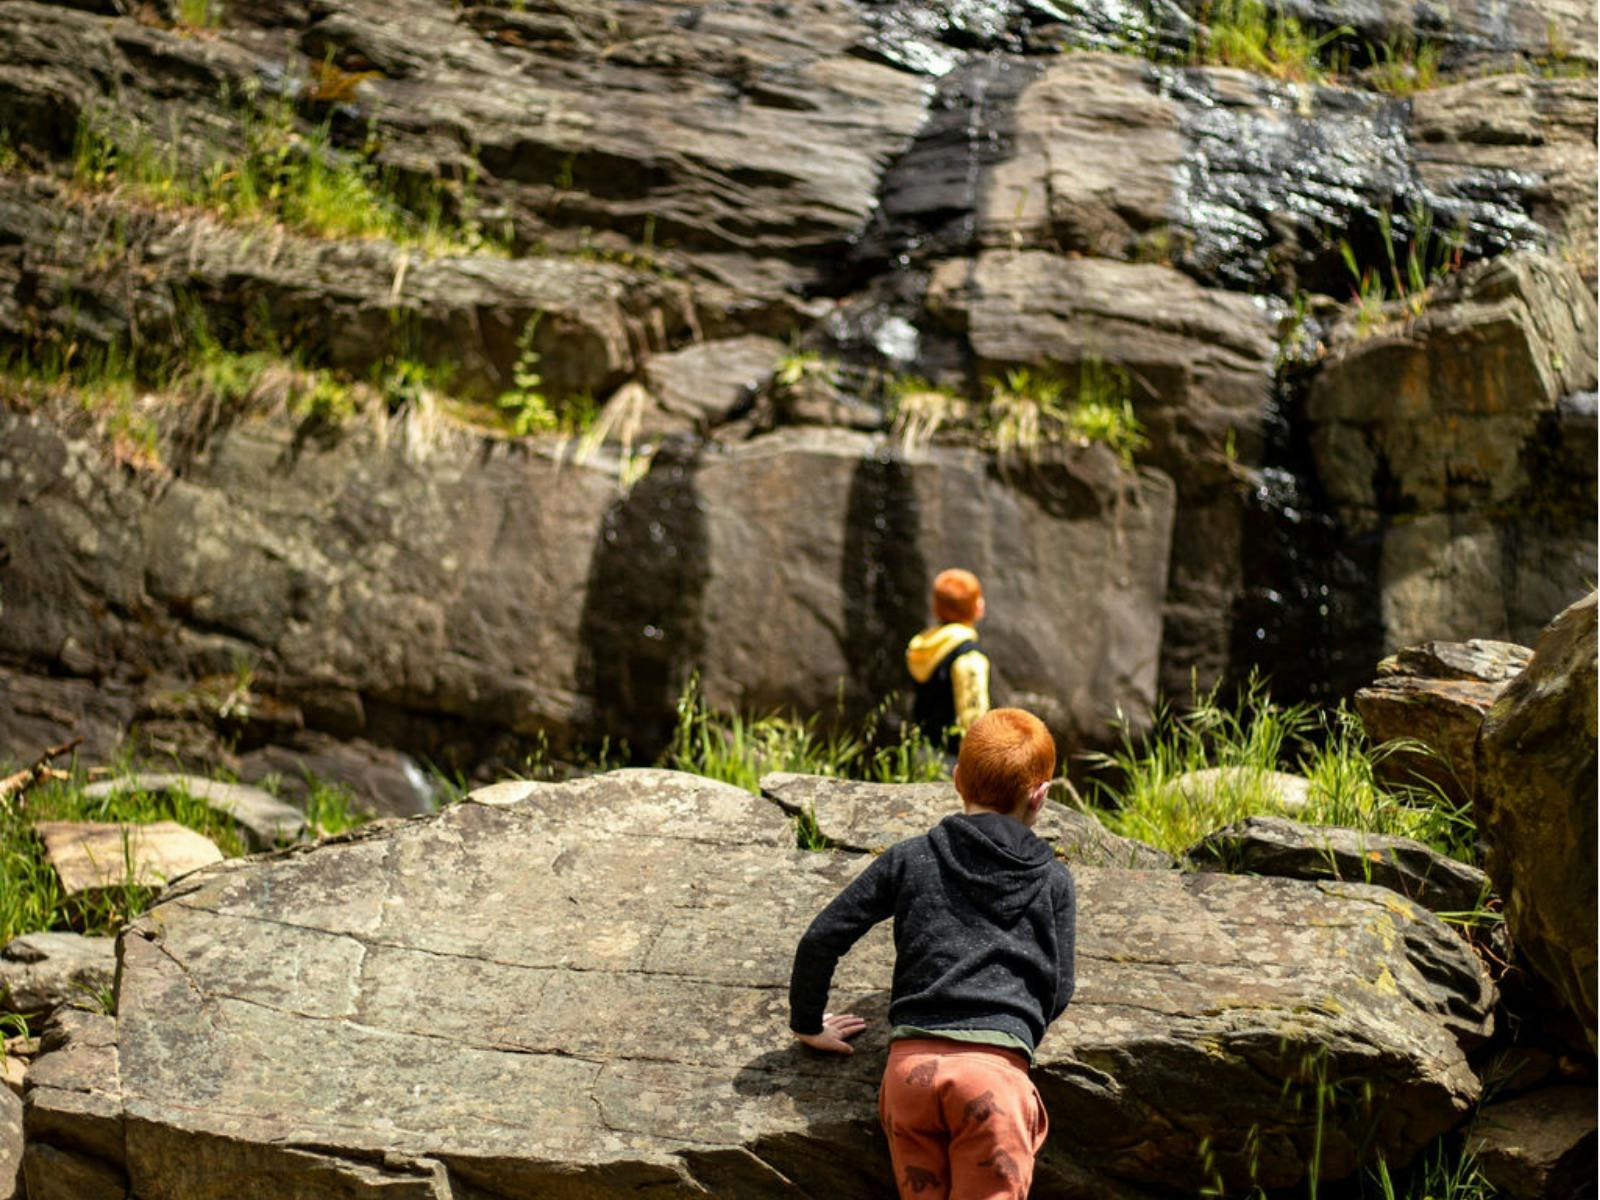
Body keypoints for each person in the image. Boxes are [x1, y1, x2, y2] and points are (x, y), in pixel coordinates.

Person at [788, 709, 1076, 1200]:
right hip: (993, 1083)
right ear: (1041, 796)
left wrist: (808, 1024)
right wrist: (1014, 1029)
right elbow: (1059, 988)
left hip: (910, 1077)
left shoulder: (911, 857)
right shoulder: (1053, 880)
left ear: (957, 778)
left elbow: (822, 938)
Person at [906, 569, 991, 753]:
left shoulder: (923, 646)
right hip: (954, 756)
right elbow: (973, 714)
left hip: (921, 749)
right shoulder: (968, 654)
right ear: (976, 607)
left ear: (936, 607)